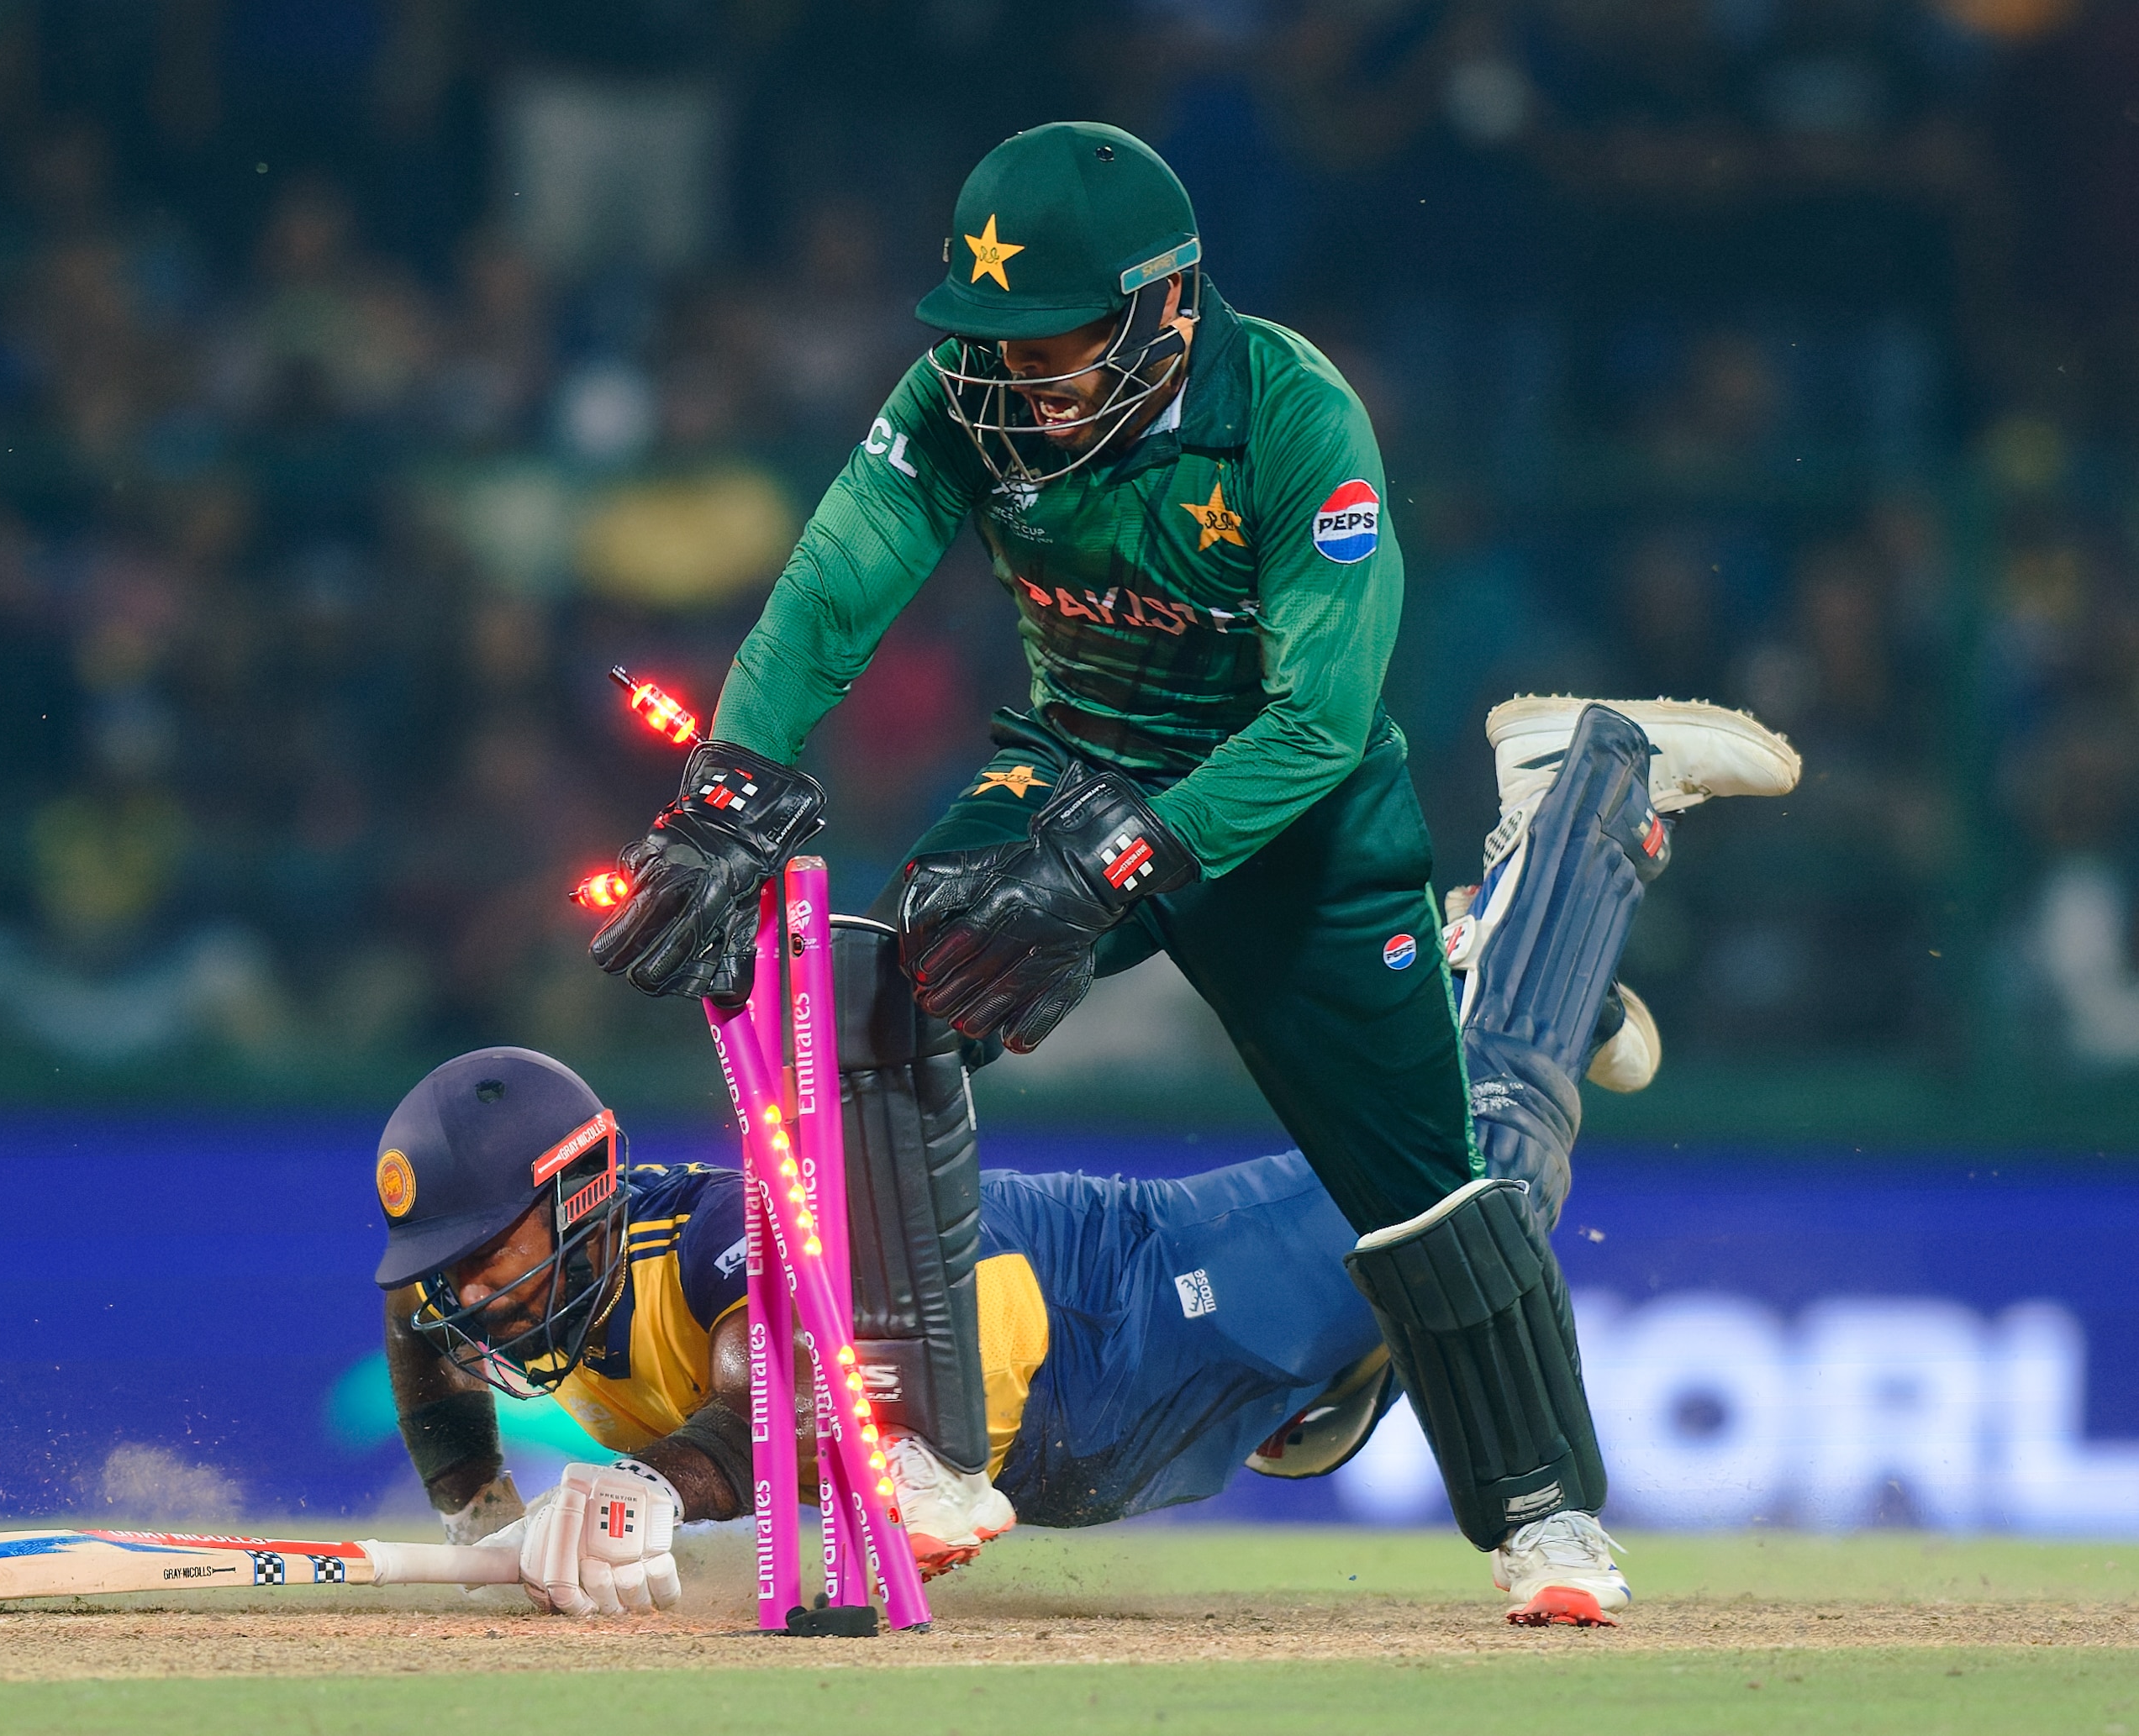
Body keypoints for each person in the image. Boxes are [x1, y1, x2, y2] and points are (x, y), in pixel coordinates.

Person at [582, 115, 1798, 1622]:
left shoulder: (1295, 416)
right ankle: (928, 1448)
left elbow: (1322, 722)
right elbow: (835, 586)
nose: (1010, 380)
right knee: (879, 992)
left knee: (1421, 1182)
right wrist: (727, 785)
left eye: (1050, 344)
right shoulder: (962, 398)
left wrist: (1114, 866)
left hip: (1294, 810)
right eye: (991, 342)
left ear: (1163, 306)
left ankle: (1545, 1517)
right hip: (1076, 755)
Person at [394, 700, 1796, 1623]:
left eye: (491, 1258)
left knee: (1486, 1183)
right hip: (1106, 1419)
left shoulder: (700, 1239)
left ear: (580, 1195)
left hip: (1127, 1316)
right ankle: (1507, 984)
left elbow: (801, 1383)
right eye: (458, 1272)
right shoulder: (493, 1290)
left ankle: (1585, 789)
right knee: (1366, 1336)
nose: (478, 1299)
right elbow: (417, 1326)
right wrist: (481, 1515)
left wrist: (658, 1485)